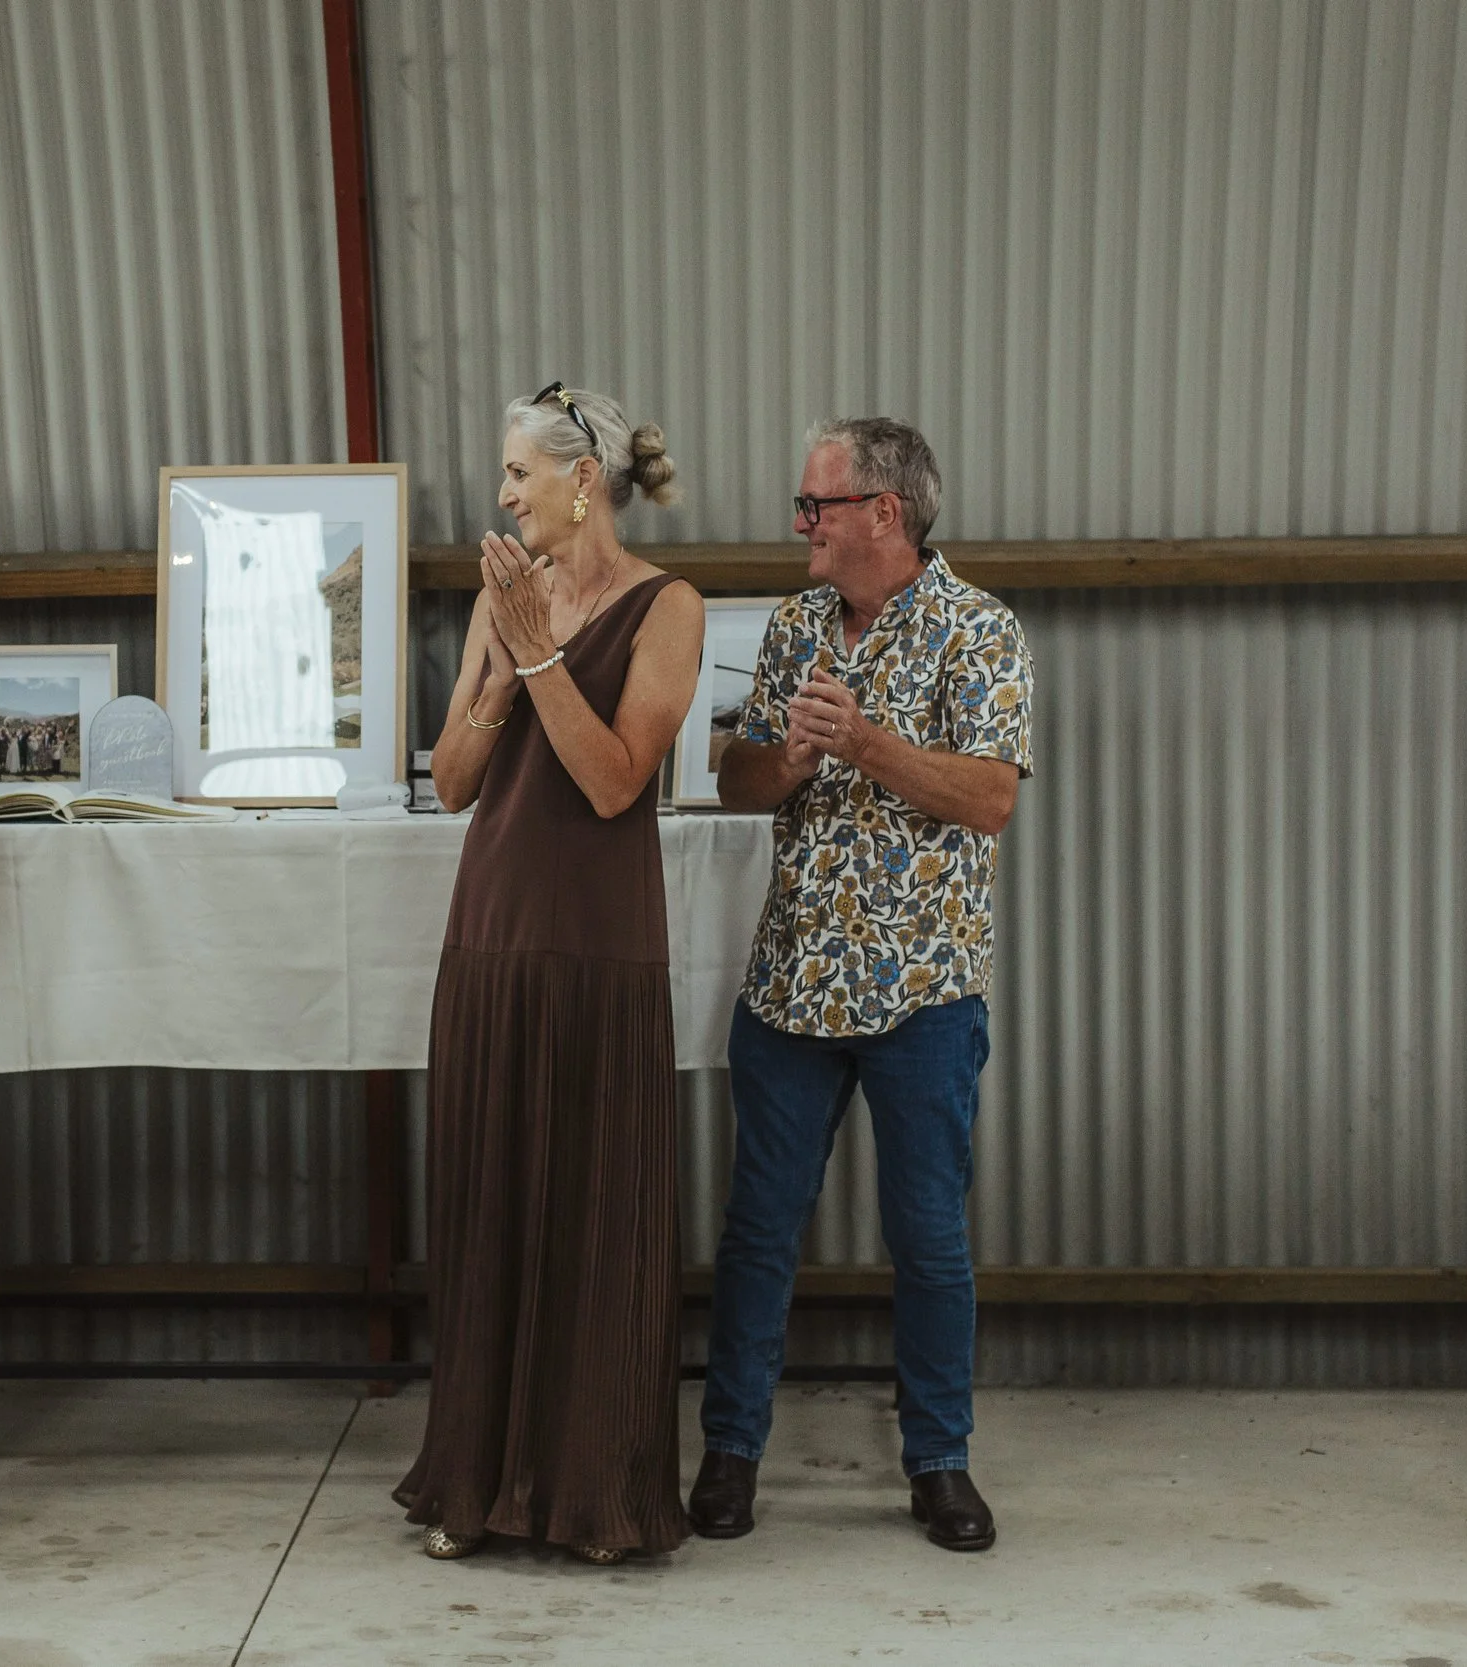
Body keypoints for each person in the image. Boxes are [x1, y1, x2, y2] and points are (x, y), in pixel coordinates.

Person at [694, 417, 1034, 1553]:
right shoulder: (793, 625)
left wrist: (866, 742)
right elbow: (739, 785)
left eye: (816, 504)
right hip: (790, 981)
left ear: (883, 512)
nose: (800, 521)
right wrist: (786, 758)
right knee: (758, 1230)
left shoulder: (981, 629)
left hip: (924, 990)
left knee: (928, 1237)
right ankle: (729, 1451)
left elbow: (990, 797)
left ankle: (939, 1462)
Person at [393, 385, 703, 1563]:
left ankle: (594, 1498)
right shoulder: (502, 597)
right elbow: (452, 781)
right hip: (492, 936)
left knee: (596, 1217)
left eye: (519, 472)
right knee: (487, 1212)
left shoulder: (668, 607)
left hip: (599, 947)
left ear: (583, 481)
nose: (504, 493)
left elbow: (617, 778)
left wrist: (537, 655)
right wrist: (497, 672)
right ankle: (475, 1486)